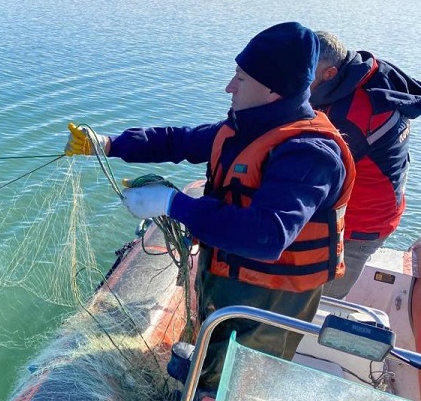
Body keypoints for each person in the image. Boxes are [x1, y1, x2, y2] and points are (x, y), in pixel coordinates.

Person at [65, 22, 355, 392]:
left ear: (272, 90)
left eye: (240, 78)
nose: (229, 87)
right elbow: (179, 141)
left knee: (233, 386)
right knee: (207, 362)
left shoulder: (310, 153)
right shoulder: (247, 126)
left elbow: (266, 236)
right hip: (226, 281)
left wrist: (173, 203)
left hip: (267, 305)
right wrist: (107, 144)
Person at [310, 31, 421, 299]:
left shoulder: (351, 119)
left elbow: (311, 173)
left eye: (304, 72)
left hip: (360, 225)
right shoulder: (370, 73)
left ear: (329, 73)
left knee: (318, 298)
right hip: (383, 203)